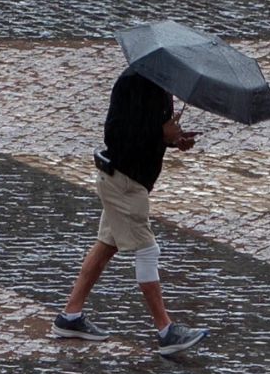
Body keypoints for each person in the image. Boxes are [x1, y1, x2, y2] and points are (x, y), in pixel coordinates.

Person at [50, 68, 210, 357]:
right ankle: (166, 331)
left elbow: (151, 133)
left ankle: (69, 317)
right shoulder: (131, 83)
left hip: (131, 183)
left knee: (105, 246)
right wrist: (161, 132)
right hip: (123, 183)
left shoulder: (163, 85)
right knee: (148, 251)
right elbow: (117, 135)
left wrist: (174, 140)